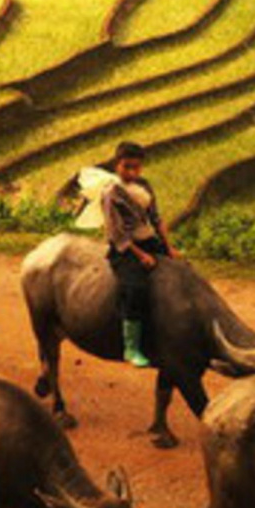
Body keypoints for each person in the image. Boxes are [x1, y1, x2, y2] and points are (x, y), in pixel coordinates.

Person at [100, 141, 175, 368]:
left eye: (136, 167)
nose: (132, 172)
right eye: (127, 167)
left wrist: (168, 247)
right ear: (117, 165)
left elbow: (156, 218)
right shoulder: (111, 193)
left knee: (181, 272)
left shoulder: (144, 185)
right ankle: (131, 347)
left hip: (149, 240)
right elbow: (117, 233)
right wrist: (141, 255)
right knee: (135, 289)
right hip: (126, 249)